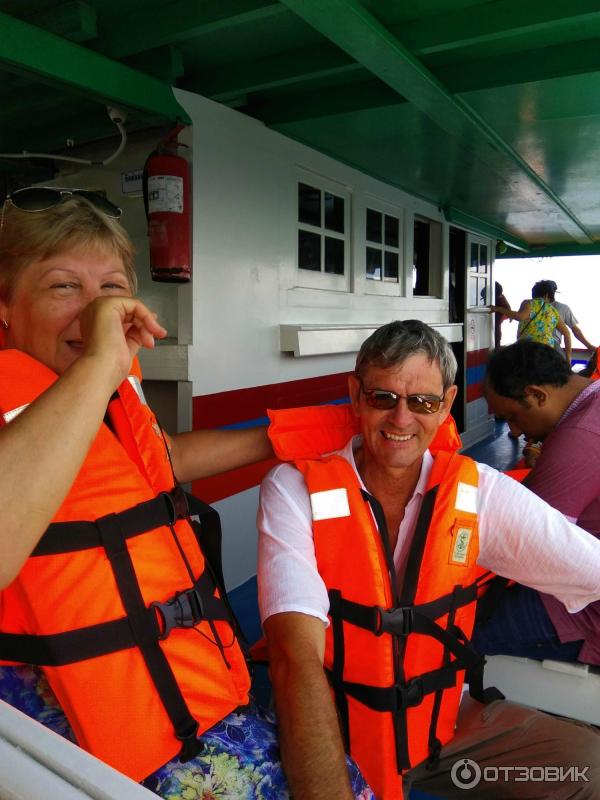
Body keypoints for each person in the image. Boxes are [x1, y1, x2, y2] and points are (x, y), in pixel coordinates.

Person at [0, 187, 372, 799]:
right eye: (63, 286)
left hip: (192, 691)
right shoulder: (90, 372)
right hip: (97, 747)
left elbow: (159, 463)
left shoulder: (112, 394)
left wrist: (309, 434)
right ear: (6, 307)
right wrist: (100, 362)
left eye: (112, 289)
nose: (98, 313)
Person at [258, 319, 600, 800]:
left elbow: (591, 566)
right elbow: (296, 658)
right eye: (383, 398)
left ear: (446, 406)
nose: (401, 419)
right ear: (355, 395)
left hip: (443, 729)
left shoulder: (480, 492)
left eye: (422, 402)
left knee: (587, 770)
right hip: (335, 728)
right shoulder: (293, 492)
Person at [473, 339, 600, 666]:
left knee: (451, 633)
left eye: (512, 417)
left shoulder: (579, 437)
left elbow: (525, 541)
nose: (513, 432)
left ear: (537, 395)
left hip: (588, 609)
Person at [490, 279, 571, 364]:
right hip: (547, 350)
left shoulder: (529, 303)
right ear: (547, 295)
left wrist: (498, 309)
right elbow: (566, 333)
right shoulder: (553, 311)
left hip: (528, 349)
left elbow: (520, 316)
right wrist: (568, 358)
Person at [539, 279, 596, 356]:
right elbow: (574, 331)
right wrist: (589, 346)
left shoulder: (528, 306)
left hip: (528, 345)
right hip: (551, 346)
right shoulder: (562, 308)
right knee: (561, 364)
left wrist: (589, 346)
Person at [492, 281, 511, 347]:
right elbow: (508, 313)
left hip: (495, 332)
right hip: (496, 332)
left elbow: (508, 311)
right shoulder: (500, 299)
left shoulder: (500, 299)